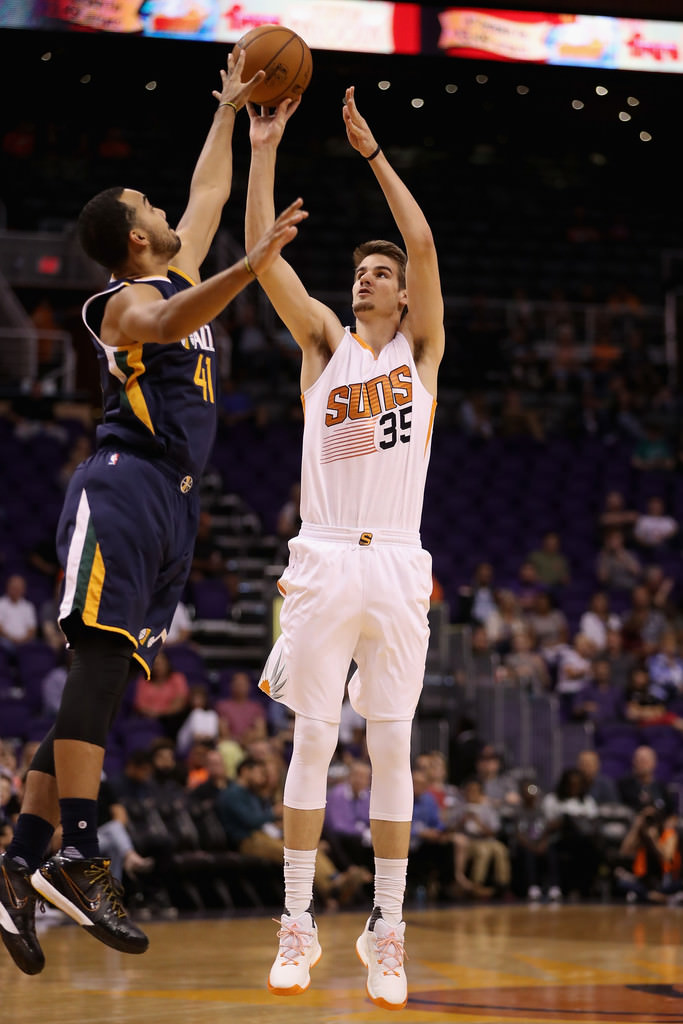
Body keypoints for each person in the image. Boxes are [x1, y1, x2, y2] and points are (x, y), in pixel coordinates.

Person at [0, 48, 307, 978]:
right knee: (96, 661)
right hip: (124, 485)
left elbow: (206, 193)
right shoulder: (124, 302)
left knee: (106, 673)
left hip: (172, 505)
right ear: (135, 239)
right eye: (153, 208)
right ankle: (79, 854)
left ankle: (18, 862)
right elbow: (168, 326)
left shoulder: (171, 270)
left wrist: (233, 118)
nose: (171, 213)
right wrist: (252, 267)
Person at [247, 85, 444, 1009]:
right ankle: (296, 925)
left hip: (398, 561)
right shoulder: (324, 344)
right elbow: (259, 259)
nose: (365, 279)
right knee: (315, 740)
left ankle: (387, 932)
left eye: (378, 273)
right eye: (358, 271)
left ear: (401, 294)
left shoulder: (421, 352)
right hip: (324, 555)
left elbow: (424, 244)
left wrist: (373, 157)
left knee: (395, 750)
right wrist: (264, 148)